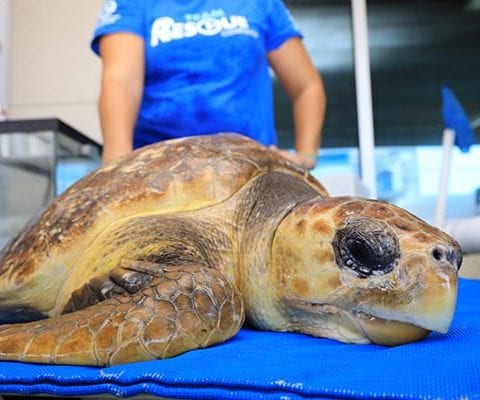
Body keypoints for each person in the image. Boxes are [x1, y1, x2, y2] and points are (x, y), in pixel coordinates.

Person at [91, 0, 326, 168]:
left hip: (251, 170)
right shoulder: (131, 3)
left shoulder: (262, 3)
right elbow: (121, 81)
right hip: (159, 173)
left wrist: (306, 153)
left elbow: (307, 86)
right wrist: (116, 166)